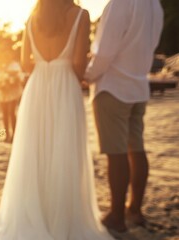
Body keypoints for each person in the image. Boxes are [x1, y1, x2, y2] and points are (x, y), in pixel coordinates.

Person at [0, 0, 113, 239]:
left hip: (37, 86)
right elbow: (78, 63)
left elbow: (25, 63)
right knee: (64, 149)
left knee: (35, 150)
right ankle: (62, 218)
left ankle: (37, 215)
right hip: (65, 85)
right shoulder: (80, 14)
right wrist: (80, 75)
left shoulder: (32, 17)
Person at [85, 0, 163, 234]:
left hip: (113, 87)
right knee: (136, 147)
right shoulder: (154, 5)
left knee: (116, 152)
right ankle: (135, 210)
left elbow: (105, 51)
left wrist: (88, 75)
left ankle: (117, 215)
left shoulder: (120, 3)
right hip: (139, 85)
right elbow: (151, 45)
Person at [0, 51, 24, 143]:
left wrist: (12, 81)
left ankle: (14, 135)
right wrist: (0, 84)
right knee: (4, 114)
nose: (5, 57)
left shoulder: (14, 65)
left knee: (12, 112)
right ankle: (7, 135)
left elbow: (20, 77)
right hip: (2, 92)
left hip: (13, 92)